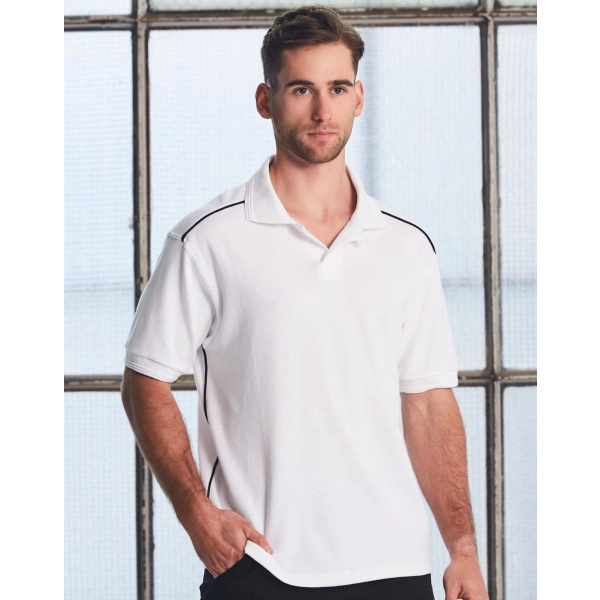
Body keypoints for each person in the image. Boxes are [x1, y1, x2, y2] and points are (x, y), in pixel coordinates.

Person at [121, 5, 489, 600]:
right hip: (260, 564)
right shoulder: (206, 240)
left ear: (358, 98)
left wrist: (463, 548)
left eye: (337, 88)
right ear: (266, 100)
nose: (322, 110)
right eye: (301, 89)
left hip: (393, 563)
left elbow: (428, 403)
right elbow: (144, 380)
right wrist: (197, 515)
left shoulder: (405, 247)